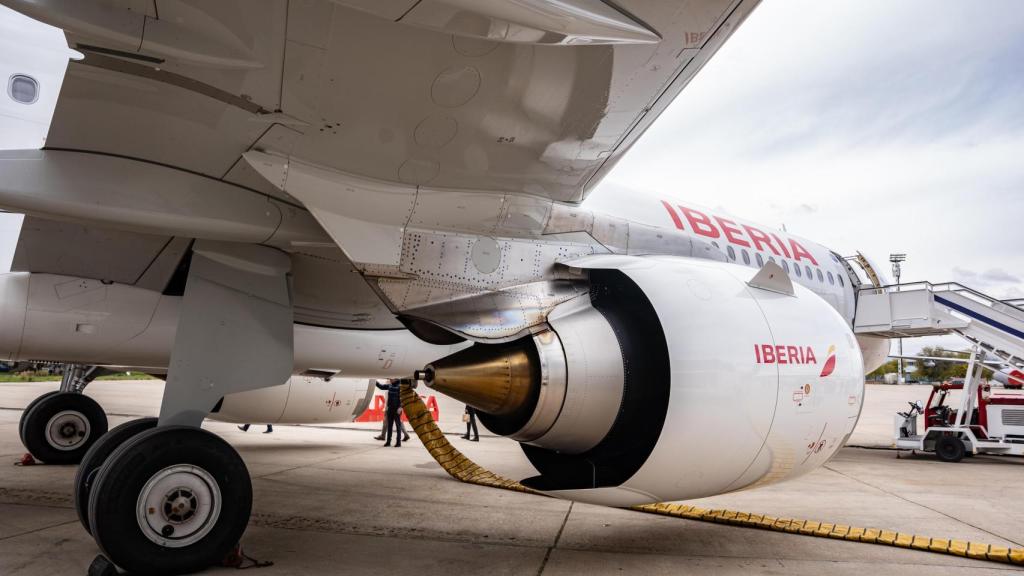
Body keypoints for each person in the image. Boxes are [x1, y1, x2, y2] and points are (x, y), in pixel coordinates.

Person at [375, 379, 409, 447]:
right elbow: (381, 387)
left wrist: (400, 407)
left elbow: (403, 398)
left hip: (397, 409)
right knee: (389, 426)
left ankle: (398, 442)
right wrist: (374, 381)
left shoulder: (400, 386)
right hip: (390, 409)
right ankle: (388, 442)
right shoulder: (390, 386)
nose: (390, 379)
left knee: (398, 426)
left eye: (391, 378)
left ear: (396, 379)